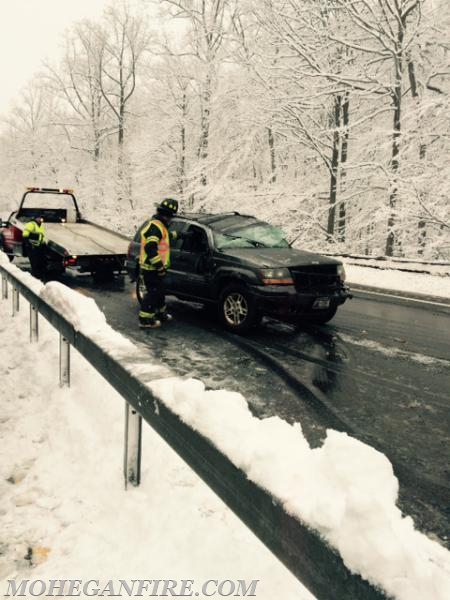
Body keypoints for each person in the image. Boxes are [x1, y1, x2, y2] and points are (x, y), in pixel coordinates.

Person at [138, 198, 179, 329]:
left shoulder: (160, 226)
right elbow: (150, 247)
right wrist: (159, 266)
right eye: (171, 217)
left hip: (155, 268)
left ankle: (160, 313)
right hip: (151, 268)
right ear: (166, 215)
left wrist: (180, 235)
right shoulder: (156, 226)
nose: (171, 220)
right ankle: (145, 319)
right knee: (153, 293)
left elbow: (165, 238)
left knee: (160, 292)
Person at [22, 215, 47, 280]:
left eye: (41, 218)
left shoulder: (41, 225)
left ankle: (39, 275)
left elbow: (42, 235)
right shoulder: (31, 224)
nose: (40, 219)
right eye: (38, 218)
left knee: (40, 261)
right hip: (31, 246)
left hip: (39, 246)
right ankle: (35, 276)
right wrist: (27, 244)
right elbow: (25, 234)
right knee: (34, 262)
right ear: (35, 218)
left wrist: (43, 243)